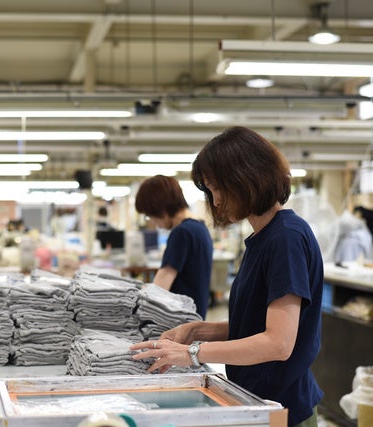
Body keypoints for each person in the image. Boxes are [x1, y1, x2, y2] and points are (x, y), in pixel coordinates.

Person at [130, 127, 324, 427]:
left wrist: (193, 353)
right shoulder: (263, 238)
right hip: (258, 399)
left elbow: (278, 342)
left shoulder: (286, 238)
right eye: (210, 191)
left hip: (284, 409)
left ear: (247, 177)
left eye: (218, 188)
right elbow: (256, 323)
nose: (216, 201)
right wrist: (196, 331)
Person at [134, 174, 213, 319]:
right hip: (195, 316)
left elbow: (159, 288)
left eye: (151, 216)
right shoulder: (200, 227)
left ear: (160, 208)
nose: (155, 223)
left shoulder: (181, 232)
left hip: (179, 319)